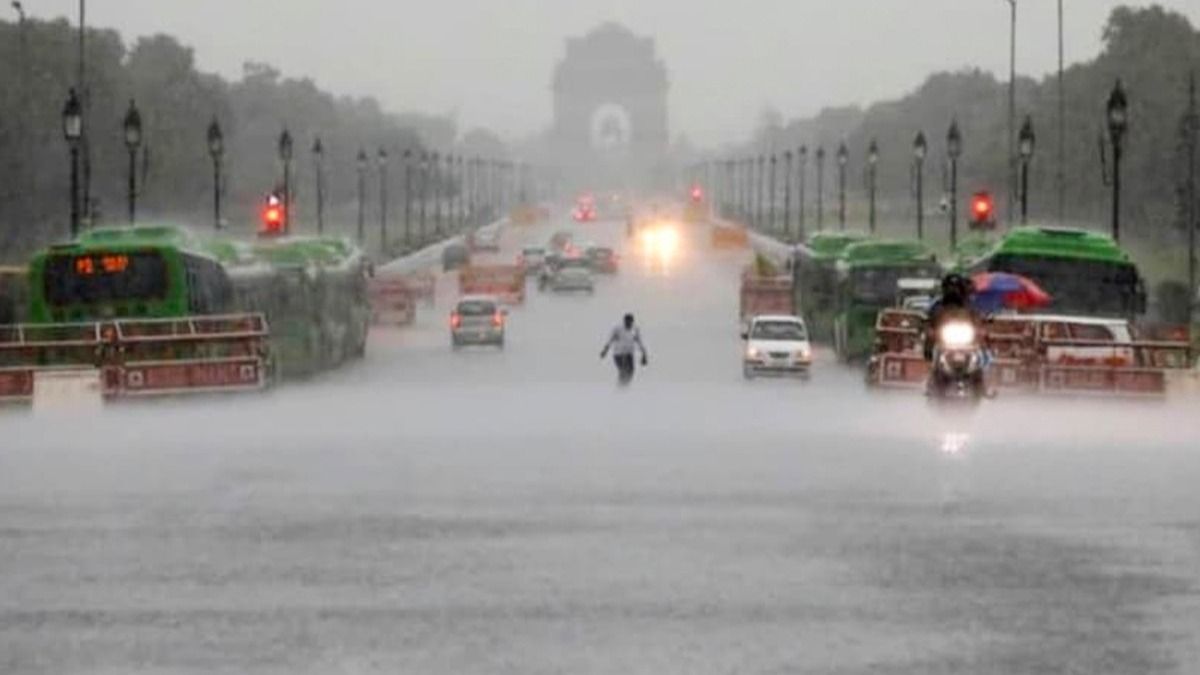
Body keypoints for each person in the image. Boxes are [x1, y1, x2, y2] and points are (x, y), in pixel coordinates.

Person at [600, 313, 649, 382]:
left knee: (631, 371)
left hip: (629, 354)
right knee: (624, 370)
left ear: (632, 322)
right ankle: (621, 388)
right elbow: (610, 339)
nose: (628, 324)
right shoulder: (617, 329)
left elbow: (640, 342)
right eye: (626, 322)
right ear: (624, 321)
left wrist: (644, 355)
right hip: (619, 354)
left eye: (630, 322)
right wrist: (605, 350)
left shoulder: (635, 329)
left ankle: (624, 388)